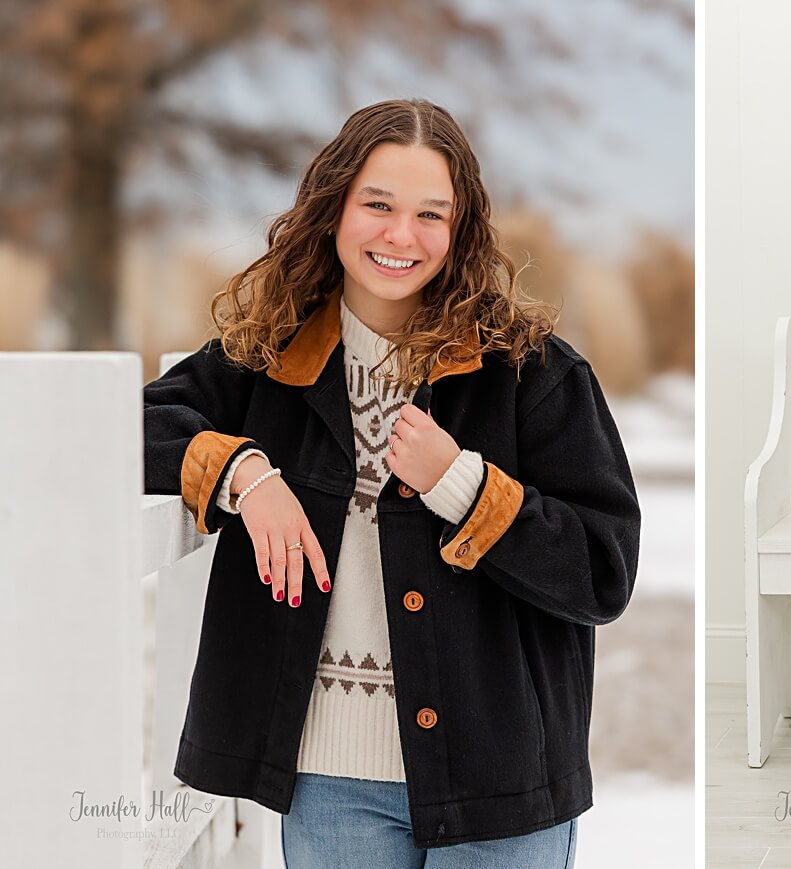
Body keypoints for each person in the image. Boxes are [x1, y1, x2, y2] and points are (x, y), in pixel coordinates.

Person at [143, 98, 641, 867]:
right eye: (378, 203)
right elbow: (138, 425)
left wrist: (465, 486)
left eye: (430, 215)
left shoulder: (533, 373)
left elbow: (603, 568)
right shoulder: (267, 358)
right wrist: (246, 472)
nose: (400, 236)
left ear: (461, 228)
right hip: (329, 782)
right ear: (334, 205)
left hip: (498, 787)